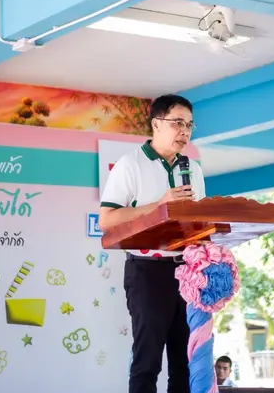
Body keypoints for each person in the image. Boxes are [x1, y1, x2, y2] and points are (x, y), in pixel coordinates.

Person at [99, 94, 205, 393]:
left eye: (189, 125)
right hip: (147, 271)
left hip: (186, 272)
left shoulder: (193, 169)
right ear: (156, 124)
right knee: (148, 361)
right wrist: (160, 205)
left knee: (185, 361)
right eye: (177, 123)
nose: (184, 131)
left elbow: (196, 221)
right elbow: (107, 219)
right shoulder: (130, 164)